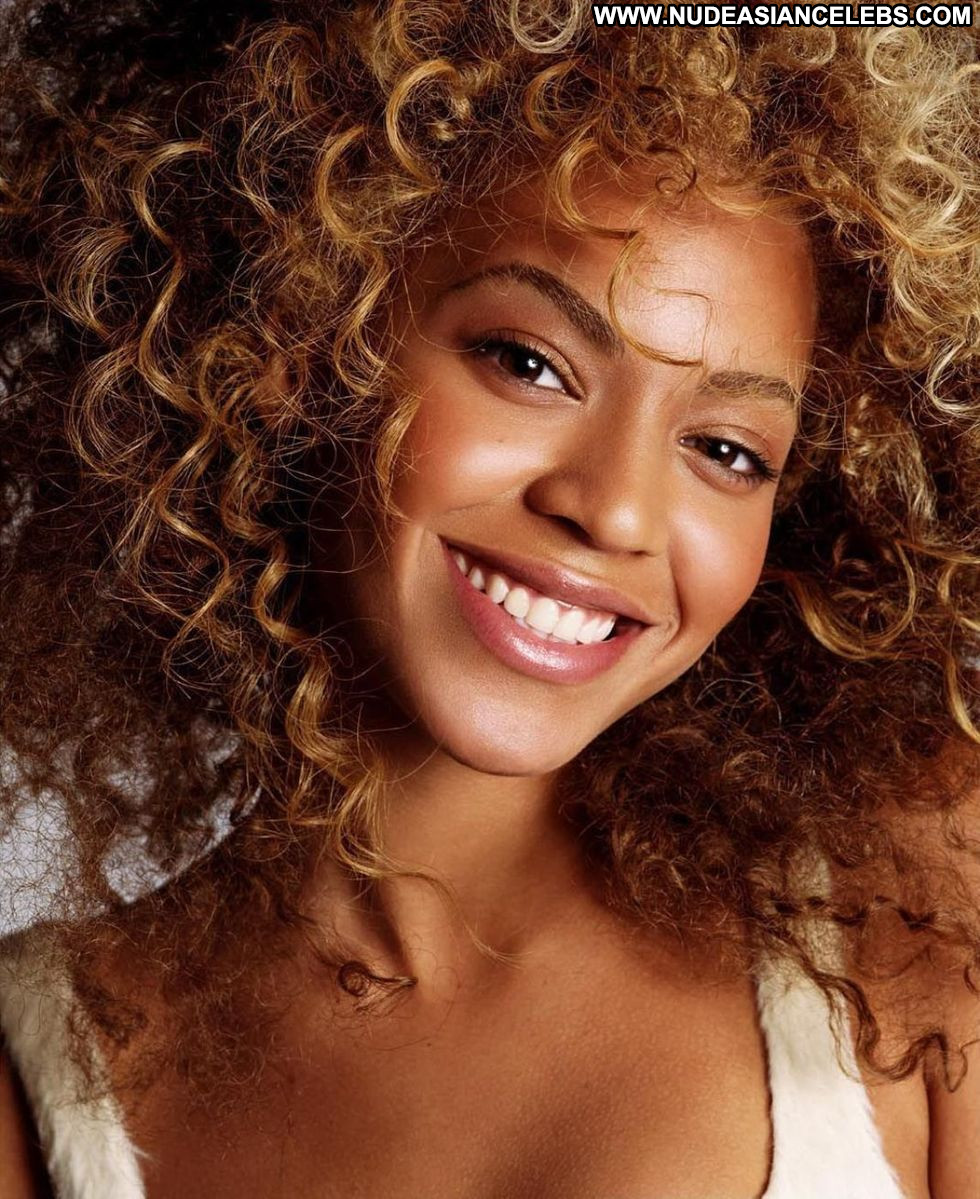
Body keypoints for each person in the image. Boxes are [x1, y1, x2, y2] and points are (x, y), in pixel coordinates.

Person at [0, 2, 979, 1196]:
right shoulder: (43, 1079)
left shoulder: (920, 900)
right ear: (293, 338)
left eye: (726, 450)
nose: (615, 512)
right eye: (529, 364)